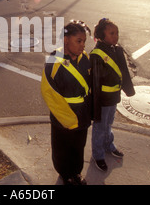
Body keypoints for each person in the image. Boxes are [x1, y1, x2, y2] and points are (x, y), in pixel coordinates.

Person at [41, 20, 92, 185]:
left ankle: (76, 173)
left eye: (84, 41)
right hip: (63, 115)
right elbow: (49, 92)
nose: (82, 45)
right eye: (79, 41)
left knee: (78, 147)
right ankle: (65, 175)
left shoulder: (85, 59)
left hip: (81, 113)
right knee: (62, 148)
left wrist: (90, 110)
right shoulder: (53, 61)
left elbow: (91, 86)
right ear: (65, 40)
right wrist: (67, 118)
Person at [90, 18, 135, 172]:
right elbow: (95, 83)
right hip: (102, 100)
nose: (116, 36)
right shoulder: (97, 54)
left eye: (117, 33)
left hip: (113, 98)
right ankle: (98, 155)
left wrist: (128, 90)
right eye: (111, 33)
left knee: (108, 124)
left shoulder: (116, 49)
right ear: (101, 36)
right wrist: (95, 106)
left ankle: (109, 145)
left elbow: (123, 72)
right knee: (100, 127)